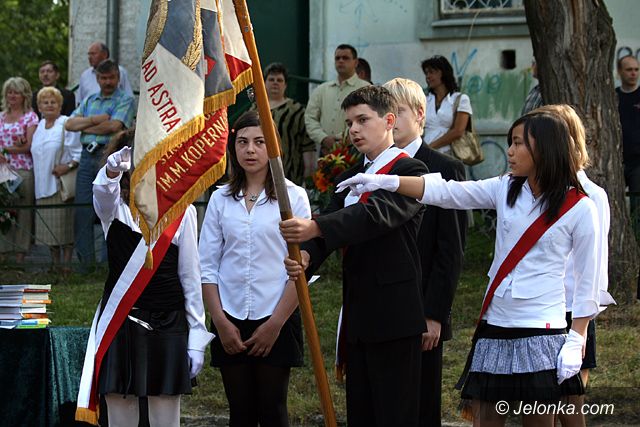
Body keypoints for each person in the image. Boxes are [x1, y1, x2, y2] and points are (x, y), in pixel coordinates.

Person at [336, 113, 600, 426]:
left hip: (543, 329)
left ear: (544, 148)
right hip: (496, 325)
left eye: (518, 143)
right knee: (485, 420)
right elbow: (447, 192)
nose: (509, 151)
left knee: (539, 422)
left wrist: (577, 337)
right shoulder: (505, 188)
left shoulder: (581, 207)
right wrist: (388, 182)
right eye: (510, 143)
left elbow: (588, 280)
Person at [281, 86, 428, 427]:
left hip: (395, 315)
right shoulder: (348, 177)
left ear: (388, 121)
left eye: (363, 120)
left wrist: (315, 227)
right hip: (358, 312)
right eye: (349, 123)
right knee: (361, 411)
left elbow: (374, 215)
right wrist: (308, 256)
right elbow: (330, 228)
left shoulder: (411, 171)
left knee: (395, 414)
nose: (354, 130)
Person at [90, 129, 212, 427]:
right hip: (120, 320)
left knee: (165, 410)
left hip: (168, 320)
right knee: (119, 407)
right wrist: (111, 171)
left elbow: (190, 275)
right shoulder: (115, 208)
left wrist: (197, 335)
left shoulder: (183, 209)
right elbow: (102, 194)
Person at [199, 111, 310, 427]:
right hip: (230, 315)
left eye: (260, 142)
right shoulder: (220, 199)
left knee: (273, 410)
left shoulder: (293, 197)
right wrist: (220, 322)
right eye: (243, 142)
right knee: (240, 411)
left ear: (274, 147)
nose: (250, 149)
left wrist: (275, 324)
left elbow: (302, 268)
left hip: (277, 313)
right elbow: (207, 266)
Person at [383, 77, 466, 426]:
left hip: (422, 308)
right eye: (386, 112)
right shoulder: (375, 167)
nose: (392, 121)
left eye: (399, 111)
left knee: (420, 406)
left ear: (420, 114)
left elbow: (451, 251)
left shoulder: (445, 169)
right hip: (379, 309)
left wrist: (434, 314)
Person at [528, 104, 614, 427]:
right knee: (538, 407)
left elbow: (595, 267)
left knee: (569, 405)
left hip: (572, 312)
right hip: (538, 309)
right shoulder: (532, 190)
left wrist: (581, 326)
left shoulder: (591, 195)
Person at [66, 59, 135, 269]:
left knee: (112, 208)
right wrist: (96, 120)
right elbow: (69, 124)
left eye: (111, 77)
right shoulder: (89, 99)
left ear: (118, 78)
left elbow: (114, 126)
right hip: (87, 156)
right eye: (103, 78)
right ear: (97, 79)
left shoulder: (125, 99)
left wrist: (85, 126)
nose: (107, 82)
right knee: (83, 210)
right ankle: (86, 265)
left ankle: (109, 263)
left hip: (110, 156)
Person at [30, 87, 81, 274]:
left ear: (60, 106)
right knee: (49, 231)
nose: (49, 105)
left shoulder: (65, 123)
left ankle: (66, 267)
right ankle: (55, 265)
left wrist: (67, 166)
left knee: (64, 229)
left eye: (54, 102)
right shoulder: (39, 126)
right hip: (41, 185)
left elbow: (77, 152)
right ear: (39, 107)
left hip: (60, 185)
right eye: (45, 102)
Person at [253, 62, 315, 185]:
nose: (275, 83)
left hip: (289, 173)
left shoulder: (296, 110)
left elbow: (307, 144)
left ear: (285, 85)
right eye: (271, 79)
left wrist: (309, 172)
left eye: (279, 80)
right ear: (264, 83)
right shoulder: (254, 109)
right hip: (259, 174)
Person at [305, 44, 370, 156]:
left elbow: (367, 119)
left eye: (345, 58)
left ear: (355, 62)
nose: (341, 61)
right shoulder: (322, 89)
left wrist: (341, 140)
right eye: (337, 58)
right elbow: (310, 118)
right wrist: (323, 138)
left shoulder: (366, 88)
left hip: (355, 150)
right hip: (325, 150)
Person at [0, 77, 38, 264]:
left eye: (16, 92)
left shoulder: (30, 117)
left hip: (23, 169)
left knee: (23, 212)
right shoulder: (1, 116)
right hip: (2, 171)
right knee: (3, 212)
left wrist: (5, 151)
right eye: (9, 92)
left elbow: (28, 145)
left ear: (24, 95)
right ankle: (3, 253)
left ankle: (20, 256)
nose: (12, 95)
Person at [616, 55, 640, 298]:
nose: (633, 73)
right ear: (619, 72)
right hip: (616, 161)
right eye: (629, 69)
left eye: (636, 69)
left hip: (638, 162)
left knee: (637, 207)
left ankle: (636, 244)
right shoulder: (613, 97)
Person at [421, 56, 472, 156]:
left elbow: (458, 131)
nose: (428, 77)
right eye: (426, 73)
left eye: (431, 72)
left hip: (449, 155)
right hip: (426, 155)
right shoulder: (425, 100)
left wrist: (430, 147)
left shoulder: (460, 99)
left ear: (443, 73)